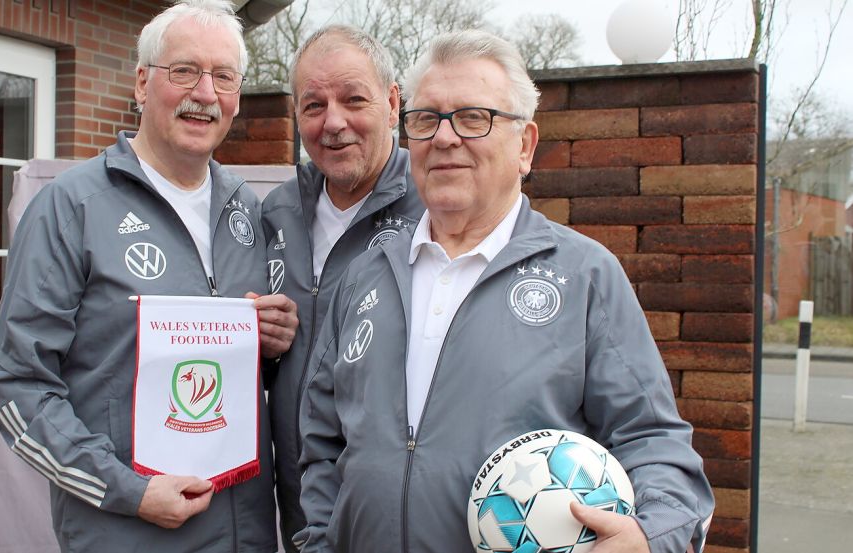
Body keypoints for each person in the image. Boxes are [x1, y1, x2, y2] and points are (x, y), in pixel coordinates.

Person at [296, 30, 714, 553]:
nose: (445, 138)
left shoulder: (584, 275)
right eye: (427, 119)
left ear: (525, 145)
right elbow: (322, 442)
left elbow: (654, 442)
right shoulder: (367, 274)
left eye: (475, 117)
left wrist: (649, 537)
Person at [0, 2, 297, 551]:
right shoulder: (72, 207)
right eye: (183, 71)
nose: (204, 92)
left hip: (243, 534)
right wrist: (127, 490)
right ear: (141, 82)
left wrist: (270, 346)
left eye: (223, 76)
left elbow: (247, 376)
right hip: (126, 533)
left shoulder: (249, 210)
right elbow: (16, 388)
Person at [259, 25, 425, 550]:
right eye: (313, 106)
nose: (334, 123)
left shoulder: (433, 209)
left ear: (393, 102)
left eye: (354, 99)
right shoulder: (276, 212)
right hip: (299, 496)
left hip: (399, 504)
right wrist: (253, 339)